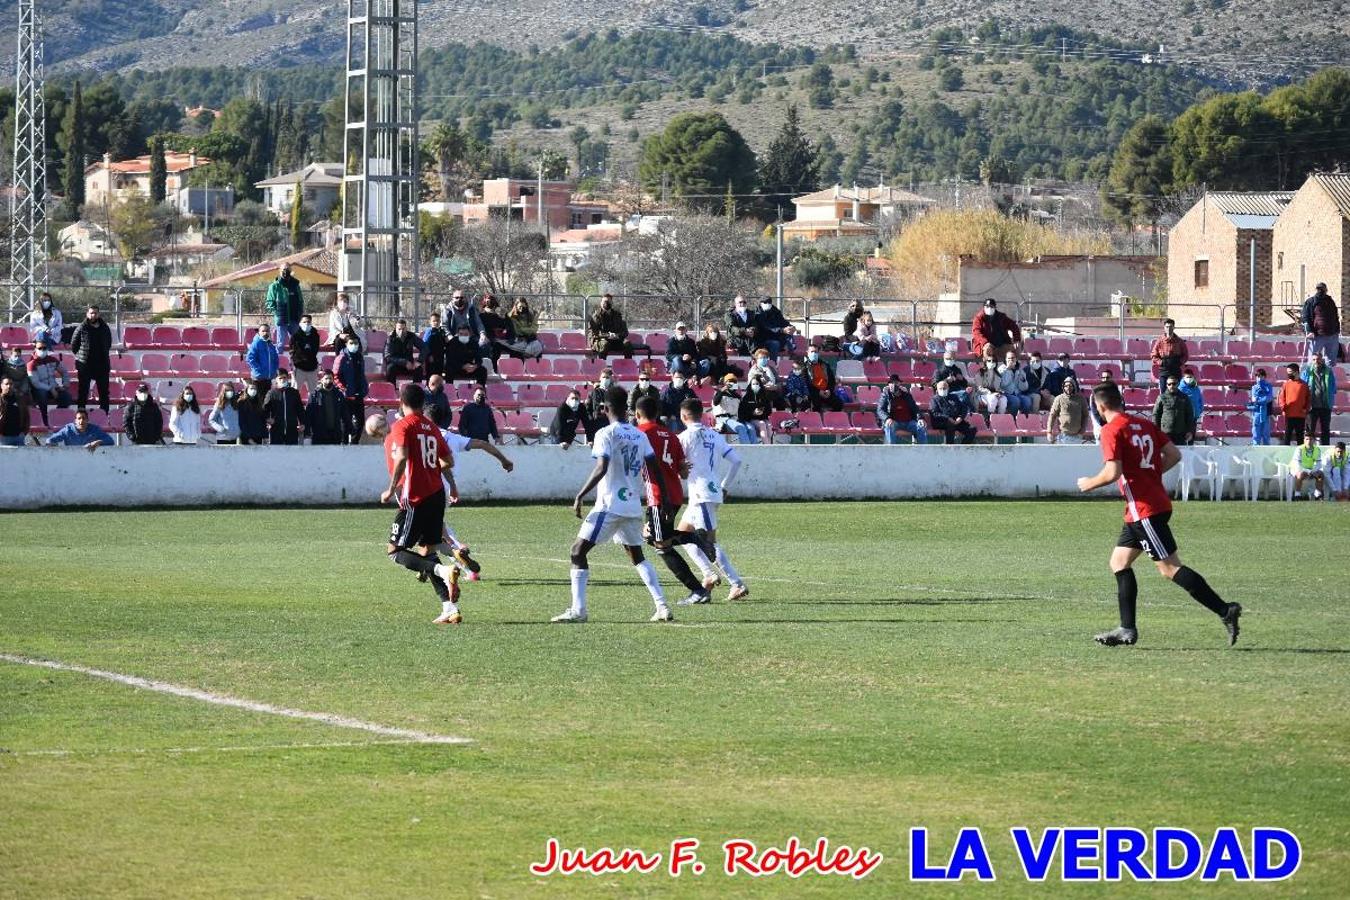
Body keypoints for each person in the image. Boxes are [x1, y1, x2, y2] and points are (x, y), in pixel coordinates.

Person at [1076, 382, 1242, 647]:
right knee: (1119, 562)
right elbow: (1174, 455)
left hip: (1145, 511)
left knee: (1169, 568)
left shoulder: (1111, 430)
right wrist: (1150, 475)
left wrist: (1089, 483)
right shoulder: (1143, 425)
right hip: (1141, 510)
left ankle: (1225, 610)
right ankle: (1126, 629)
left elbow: (1112, 472)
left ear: (1100, 406)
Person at [551, 386, 674, 624]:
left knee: (577, 551)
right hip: (631, 506)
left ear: (605, 408)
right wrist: (665, 499)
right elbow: (654, 468)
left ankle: (579, 610)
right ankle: (662, 606)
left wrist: (580, 495)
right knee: (636, 555)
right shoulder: (640, 435)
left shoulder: (605, 433)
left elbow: (602, 467)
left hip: (609, 505)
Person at [378, 382, 461, 625]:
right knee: (429, 549)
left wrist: (390, 489)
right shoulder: (431, 427)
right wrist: (431, 470)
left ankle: (443, 572)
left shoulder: (402, 425)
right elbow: (448, 461)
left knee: (394, 552)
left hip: (415, 497)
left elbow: (402, 457)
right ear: (422, 403)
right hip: (436, 494)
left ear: (401, 403)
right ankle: (450, 608)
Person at [634, 395, 716, 606]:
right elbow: (683, 472)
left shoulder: (641, 434)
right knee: (653, 537)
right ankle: (695, 539)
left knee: (661, 545)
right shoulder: (671, 435)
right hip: (676, 494)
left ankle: (697, 590)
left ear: (637, 414)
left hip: (659, 495)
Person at [676, 397, 750, 603]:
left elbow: (675, 467)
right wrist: (725, 486)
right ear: (703, 415)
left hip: (701, 495)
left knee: (709, 542)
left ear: (683, 416)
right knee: (682, 535)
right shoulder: (714, 435)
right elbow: (736, 461)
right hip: (709, 492)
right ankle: (708, 574)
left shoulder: (683, 438)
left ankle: (737, 583)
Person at [70, 304, 113, 413]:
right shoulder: (81, 328)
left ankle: (104, 414)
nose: (93, 315)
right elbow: (74, 345)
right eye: (91, 313)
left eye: (95, 313)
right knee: (83, 391)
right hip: (85, 365)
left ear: (98, 314)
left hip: (102, 365)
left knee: (103, 392)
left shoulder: (105, 328)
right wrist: (82, 356)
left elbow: (108, 343)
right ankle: (81, 413)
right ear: (87, 314)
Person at [26, 339, 71, 426]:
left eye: (44, 348)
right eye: (40, 348)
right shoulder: (31, 364)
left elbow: (64, 372)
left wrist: (65, 385)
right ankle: (44, 420)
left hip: (53, 387)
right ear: (35, 349)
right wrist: (50, 389)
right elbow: (36, 383)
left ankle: (55, 417)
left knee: (66, 397)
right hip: (39, 389)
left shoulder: (52, 360)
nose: (42, 350)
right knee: (42, 396)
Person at [333, 338, 368, 444]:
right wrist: (344, 389)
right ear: (346, 344)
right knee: (345, 422)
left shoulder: (360, 357)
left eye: (356, 343)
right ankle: (343, 443)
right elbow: (336, 376)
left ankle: (354, 443)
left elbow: (361, 374)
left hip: (359, 394)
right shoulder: (341, 358)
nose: (354, 345)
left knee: (360, 422)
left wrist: (365, 387)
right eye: (351, 343)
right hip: (347, 396)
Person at [876, 375, 927, 445]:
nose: (894, 385)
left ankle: (923, 451)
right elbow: (880, 410)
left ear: (900, 384)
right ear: (889, 384)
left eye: (896, 382)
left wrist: (920, 418)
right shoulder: (885, 395)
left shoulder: (906, 395)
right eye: (892, 383)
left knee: (921, 426)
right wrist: (887, 418)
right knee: (889, 425)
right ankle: (892, 451)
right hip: (894, 422)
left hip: (909, 422)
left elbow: (915, 408)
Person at [1301, 352, 1337, 446]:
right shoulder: (1307, 371)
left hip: (1325, 405)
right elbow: (1302, 387)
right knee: (1310, 430)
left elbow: (1333, 386)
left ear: (1322, 360)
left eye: (1318, 359)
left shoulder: (1329, 371)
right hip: (1311, 406)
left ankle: (1325, 448)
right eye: (1314, 359)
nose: (1316, 361)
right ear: (1311, 360)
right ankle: (1308, 448)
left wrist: (1330, 396)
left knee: (1325, 430)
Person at [265, 264, 304, 348]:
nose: (285, 271)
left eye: (287, 269)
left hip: (294, 319)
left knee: (297, 343)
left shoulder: (296, 285)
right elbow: (270, 302)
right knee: (280, 344)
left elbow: (300, 301)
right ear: (280, 271)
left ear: (291, 271)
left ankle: (295, 361)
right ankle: (277, 360)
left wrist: (300, 313)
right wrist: (277, 313)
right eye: (283, 270)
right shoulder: (274, 286)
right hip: (281, 319)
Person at [1152, 375, 1197, 447]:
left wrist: (1189, 431)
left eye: (1173, 384)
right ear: (1166, 385)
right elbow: (1156, 415)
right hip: (1165, 433)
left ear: (1178, 384)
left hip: (1180, 434)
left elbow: (1190, 415)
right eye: (1169, 384)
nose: (1171, 386)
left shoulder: (1185, 397)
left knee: (1180, 455)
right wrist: (1156, 431)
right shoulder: (1161, 397)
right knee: (1166, 456)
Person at [1302, 282, 1341, 365]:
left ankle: (1329, 377)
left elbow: (1335, 316)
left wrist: (1337, 330)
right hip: (1317, 335)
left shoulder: (1330, 301)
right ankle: (1311, 377)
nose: (1321, 290)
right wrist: (1309, 331)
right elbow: (1305, 317)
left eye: (1322, 289)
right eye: (1319, 289)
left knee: (1331, 362)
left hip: (1332, 335)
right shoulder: (1311, 301)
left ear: (1326, 290)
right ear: (1316, 290)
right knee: (1313, 360)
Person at [305, 371, 348, 445]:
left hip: (335, 435)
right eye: (326, 378)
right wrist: (307, 433)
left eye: (330, 378)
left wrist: (348, 429)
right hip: (319, 435)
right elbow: (308, 415)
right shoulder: (314, 395)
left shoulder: (339, 395)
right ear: (321, 380)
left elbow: (345, 414)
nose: (328, 381)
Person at [929, 379, 977, 444]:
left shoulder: (954, 397)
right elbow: (935, 413)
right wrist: (948, 418)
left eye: (944, 388)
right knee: (950, 425)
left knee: (972, 429)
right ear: (937, 390)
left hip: (956, 421)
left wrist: (960, 417)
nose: (943, 390)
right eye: (941, 388)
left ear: (948, 388)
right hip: (941, 422)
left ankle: (962, 449)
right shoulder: (934, 400)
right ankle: (950, 448)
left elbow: (963, 408)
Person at [46, 407, 113, 451]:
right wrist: (55, 448)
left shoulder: (94, 429)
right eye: (79, 418)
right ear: (75, 420)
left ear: (88, 420)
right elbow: (50, 440)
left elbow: (110, 441)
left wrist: (97, 442)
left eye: (84, 418)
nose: (81, 421)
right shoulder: (68, 430)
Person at [712, 374, 754, 444]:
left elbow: (742, 411)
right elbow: (715, 402)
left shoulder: (737, 396)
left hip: (735, 419)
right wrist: (721, 391)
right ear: (725, 383)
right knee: (740, 427)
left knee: (751, 428)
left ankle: (754, 451)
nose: (732, 383)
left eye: (734, 382)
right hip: (723, 420)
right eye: (729, 381)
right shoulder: (719, 393)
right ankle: (747, 450)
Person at [288, 314, 323, 399]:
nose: (306, 324)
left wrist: (307, 350)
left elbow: (314, 350)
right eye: (304, 322)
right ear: (300, 323)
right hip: (299, 367)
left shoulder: (315, 335)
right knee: (294, 393)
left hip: (312, 367)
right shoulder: (295, 336)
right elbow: (293, 350)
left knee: (313, 394)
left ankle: (312, 410)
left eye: (308, 322)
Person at [265, 370, 303, 445]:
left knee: (292, 453)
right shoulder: (271, 393)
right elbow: (265, 408)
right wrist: (268, 419)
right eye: (280, 378)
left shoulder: (294, 393)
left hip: (291, 429)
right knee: (276, 453)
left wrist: (302, 422)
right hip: (276, 429)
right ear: (276, 379)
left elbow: (300, 409)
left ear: (287, 378)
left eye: (284, 377)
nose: (282, 380)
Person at [587, 293, 631, 359]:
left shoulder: (617, 315)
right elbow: (594, 333)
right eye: (605, 301)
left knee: (627, 344)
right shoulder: (596, 316)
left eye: (609, 301)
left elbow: (624, 332)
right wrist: (608, 335)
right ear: (601, 303)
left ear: (612, 303)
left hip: (615, 340)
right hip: (599, 340)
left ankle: (628, 366)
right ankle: (602, 366)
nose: (606, 303)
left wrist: (617, 335)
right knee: (605, 344)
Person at [1047, 377, 1090, 444]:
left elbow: (1086, 415)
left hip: (1077, 436)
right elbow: (1052, 415)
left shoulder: (1081, 399)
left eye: (1070, 386)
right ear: (1063, 387)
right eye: (1066, 386)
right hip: (1063, 435)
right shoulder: (1059, 399)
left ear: (1074, 386)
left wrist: (1082, 430)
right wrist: (1049, 431)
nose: (1068, 388)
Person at [478, 295, 517, 367]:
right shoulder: (481, 315)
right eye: (487, 300)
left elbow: (509, 326)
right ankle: (493, 369)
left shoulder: (501, 313)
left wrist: (511, 337)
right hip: (491, 340)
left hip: (504, 338)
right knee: (495, 348)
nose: (489, 302)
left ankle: (514, 368)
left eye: (490, 300)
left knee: (516, 349)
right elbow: (482, 329)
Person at [1278, 363, 1310, 445]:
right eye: (1287, 372)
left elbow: (1308, 399)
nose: (1288, 374)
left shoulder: (1304, 385)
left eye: (1290, 372)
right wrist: (1283, 408)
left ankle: (1300, 456)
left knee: (1300, 437)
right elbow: (1281, 398)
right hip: (1289, 415)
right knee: (1287, 436)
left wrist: (1305, 409)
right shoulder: (1286, 384)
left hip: (1300, 415)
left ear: (1296, 372)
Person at [802, 347, 842, 413]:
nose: (814, 353)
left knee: (839, 404)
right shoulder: (804, 366)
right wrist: (818, 391)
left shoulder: (825, 365)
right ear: (807, 353)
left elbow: (832, 380)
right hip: (813, 393)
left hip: (826, 392)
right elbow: (806, 383)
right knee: (816, 405)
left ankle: (829, 419)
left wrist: (829, 390)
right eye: (812, 351)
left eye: (816, 352)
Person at [1149, 318, 1188, 385]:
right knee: (1164, 394)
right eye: (1167, 327)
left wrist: (1179, 362)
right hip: (1164, 370)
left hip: (1176, 370)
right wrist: (1161, 362)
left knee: (1177, 393)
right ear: (1164, 328)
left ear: (1174, 327)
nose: (1169, 329)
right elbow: (1153, 355)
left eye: (1170, 327)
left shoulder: (1180, 341)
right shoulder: (1159, 341)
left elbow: (1185, 355)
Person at [383, 319, 422, 385]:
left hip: (410, 365)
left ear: (406, 328)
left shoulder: (411, 336)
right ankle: (392, 391)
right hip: (396, 365)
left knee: (419, 369)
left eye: (403, 329)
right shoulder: (391, 338)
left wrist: (419, 361)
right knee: (390, 369)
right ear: (395, 328)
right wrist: (404, 362)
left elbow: (424, 348)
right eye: (399, 329)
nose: (401, 331)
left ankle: (415, 391)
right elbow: (388, 356)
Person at [246, 323, 280, 398]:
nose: (265, 333)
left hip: (268, 378)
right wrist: (259, 370)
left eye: (267, 331)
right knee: (258, 401)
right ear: (259, 332)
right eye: (263, 331)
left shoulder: (270, 344)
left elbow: (275, 359)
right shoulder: (256, 343)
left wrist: (275, 370)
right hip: (258, 379)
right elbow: (250, 358)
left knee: (266, 401)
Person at [739, 374, 774, 444]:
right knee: (762, 424)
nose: (755, 385)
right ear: (750, 385)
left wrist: (762, 412)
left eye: (757, 384)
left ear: (760, 385)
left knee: (769, 426)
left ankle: (769, 445)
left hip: (763, 418)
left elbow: (769, 411)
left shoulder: (764, 396)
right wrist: (753, 413)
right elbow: (742, 412)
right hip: (751, 419)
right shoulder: (746, 397)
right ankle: (767, 447)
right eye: (753, 384)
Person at [1291, 433, 1325, 500]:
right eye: (1307, 439)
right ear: (1304, 440)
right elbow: (1297, 463)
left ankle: (1317, 494)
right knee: (1300, 475)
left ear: (1314, 440)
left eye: (1311, 439)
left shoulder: (1317, 449)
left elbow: (1319, 462)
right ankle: (1297, 495)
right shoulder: (1299, 449)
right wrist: (1308, 471)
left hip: (1311, 469)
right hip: (1297, 469)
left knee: (1320, 475)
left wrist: (1314, 471)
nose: (1309, 441)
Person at [999, 350, 1033, 416]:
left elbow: (1024, 388)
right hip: (1005, 394)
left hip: (1018, 393)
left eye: (1013, 358)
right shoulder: (1001, 369)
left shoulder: (1020, 370)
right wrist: (1008, 370)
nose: (1011, 360)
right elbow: (1003, 384)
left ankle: (1022, 419)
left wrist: (1023, 380)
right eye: (1009, 358)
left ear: (1016, 359)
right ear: (1005, 359)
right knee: (1015, 401)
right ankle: (1012, 419)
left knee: (1027, 401)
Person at [1246, 368, 1275, 446]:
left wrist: (1259, 400)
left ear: (1264, 377)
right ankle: (1255, 447)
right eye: (1258, 376)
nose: (1259, 378)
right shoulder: (1254, 387)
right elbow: (1253, 398)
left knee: (1266, 432)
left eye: (1261, 376)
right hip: (1257, 412)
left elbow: (1269, 398)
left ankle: (1267, 448)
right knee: (1256, 432)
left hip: (1266, 412)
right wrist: (1261, 399)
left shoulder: (1269, 386)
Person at [0, 375, 31, 446]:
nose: (9, 386)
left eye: (11, 384)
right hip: (3, 437)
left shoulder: (20, 400)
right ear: (1, 386)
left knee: (21, 457)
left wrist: (24, 432)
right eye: (6, 384)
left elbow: (27, 417)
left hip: (18, 437)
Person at [975, 352, 1006, 416]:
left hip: (994, 394)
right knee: (993, 398)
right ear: (986, 362)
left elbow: (998, 388)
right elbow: (979, 388)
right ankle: (990, 417)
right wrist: (989, 392)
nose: (991, 362)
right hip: (982, 395)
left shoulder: (998, 375)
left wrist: (1000, 392)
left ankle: (1000, 417)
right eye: (989, 361)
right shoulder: (980, 372)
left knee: (1004, 399)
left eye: (993, 361)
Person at [586, 368, 616, 433]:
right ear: (600, 378)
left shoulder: (615, 392)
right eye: (603, 377)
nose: (605, 379)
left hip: (612, 422)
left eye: (607, 377)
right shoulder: (595, 392)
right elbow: (597, 407)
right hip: (599, 422)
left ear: (611, 379)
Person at [421, 312, 447, 380]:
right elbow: (425, 345)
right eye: (434, 321)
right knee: (430, 375)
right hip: (431, 358)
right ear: (430, 322)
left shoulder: (441, 332)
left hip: (440, 357)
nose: (436, 322)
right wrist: (429, 355)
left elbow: (445, 344)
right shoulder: (429, 331)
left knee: (438, 375)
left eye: (437, 321)